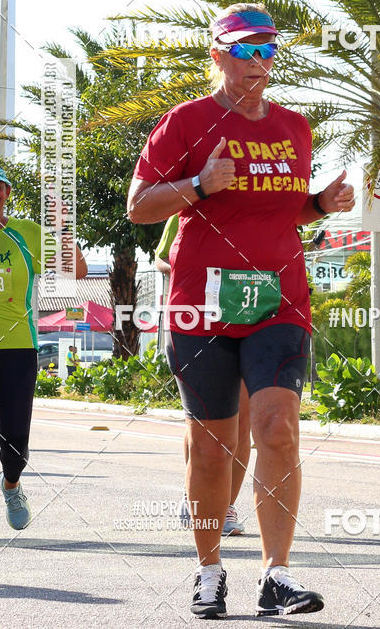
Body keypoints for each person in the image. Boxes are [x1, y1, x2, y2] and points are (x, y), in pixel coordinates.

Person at [128, 3, 354, 619]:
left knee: (278, 430)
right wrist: (201, 185)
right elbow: (140, 207)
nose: (258, 60)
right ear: (219, 55)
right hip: (201, 305)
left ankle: (277, 575)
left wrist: (320, 203)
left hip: (278, 299)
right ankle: (208, 570)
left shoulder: (294, 128)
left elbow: (282, 213)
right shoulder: (185, 123)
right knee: (212, 449)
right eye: (245, 49)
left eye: (267, 49)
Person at [0, 161, 87, 547]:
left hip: (18, 345)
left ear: (7, 193)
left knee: (15, 438)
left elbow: (79, 271)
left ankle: (12, 483)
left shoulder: (26, 233)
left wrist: (62, 230)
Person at [155, 215, 250, 537]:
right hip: (199, 318)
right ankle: (193, 494)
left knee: (243, 422)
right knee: (202, 422)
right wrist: (191, 269)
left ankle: (226, 507)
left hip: (250, 316)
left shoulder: (260, 205)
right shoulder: (185, 208)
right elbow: (160, 257)